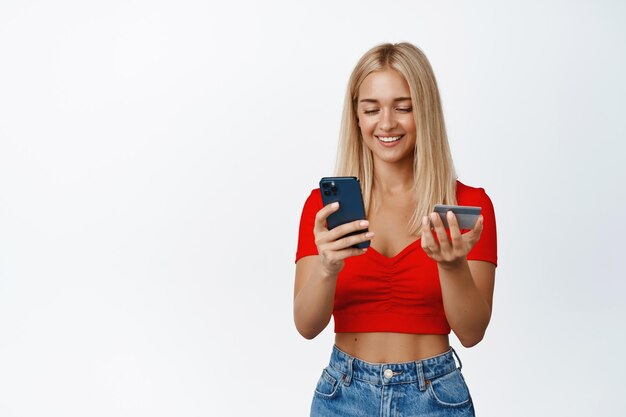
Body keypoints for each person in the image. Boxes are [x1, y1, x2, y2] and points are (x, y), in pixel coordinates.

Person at [293, 42, 497, 416]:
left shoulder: (468, 207)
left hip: (435, 397)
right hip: (343, 396)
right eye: (371, 109)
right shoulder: (324, 209)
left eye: (403, 107)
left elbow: (472, 333)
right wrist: (327, 267)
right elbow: (306, 326)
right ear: (356, 116)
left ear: (426, 112)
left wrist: (452, 266)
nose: (386, 123)